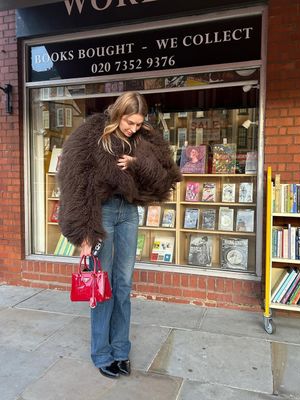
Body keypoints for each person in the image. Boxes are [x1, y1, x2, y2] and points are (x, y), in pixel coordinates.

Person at [57, 91, 182, 379]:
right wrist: (85, 236)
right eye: (129, 122)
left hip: (129, 213)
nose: (132, 128)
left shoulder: (145, 138)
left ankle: (120, 350)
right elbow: (76, 184)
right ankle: (102, 353)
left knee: (123, 285)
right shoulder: (91, 134)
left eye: (138, 123)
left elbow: (166, 177)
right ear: (118, 113)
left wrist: (138, 163)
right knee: (103, 285)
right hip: (102, 213)